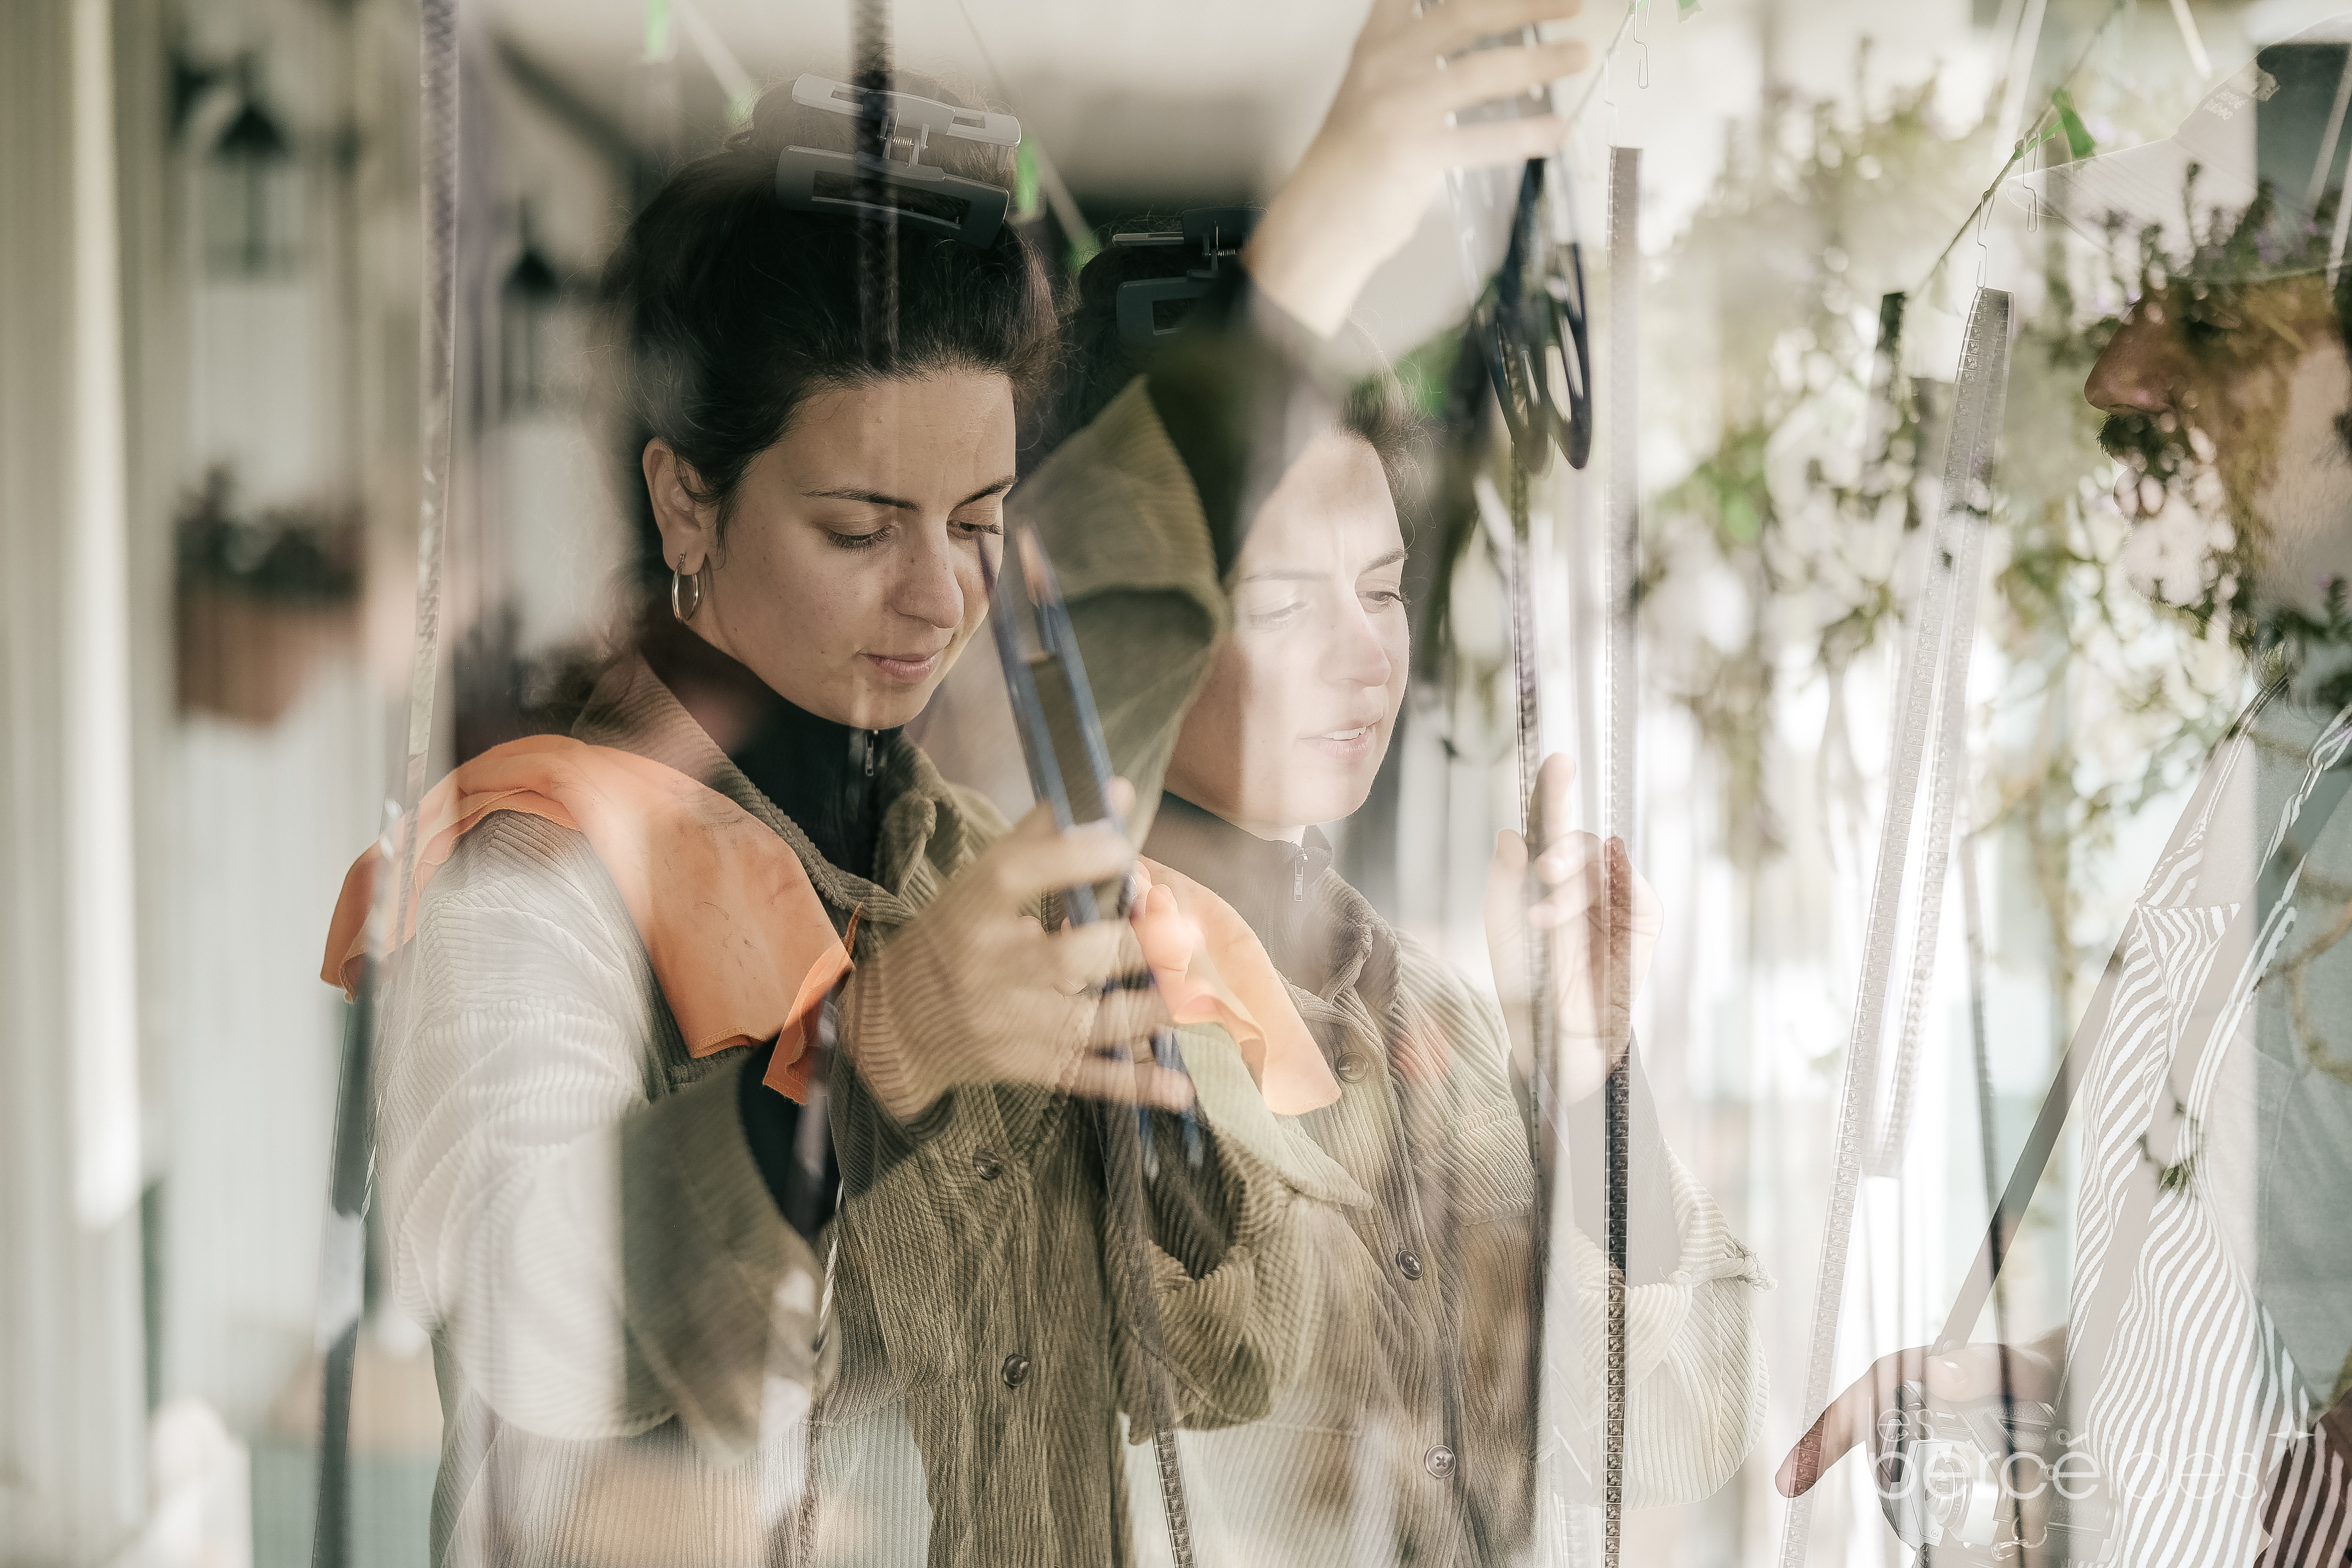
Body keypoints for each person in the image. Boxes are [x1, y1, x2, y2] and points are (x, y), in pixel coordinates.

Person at [333, 6, 1614, 1565]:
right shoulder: (536, 870)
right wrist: (882, 1047)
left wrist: (1183, 1159)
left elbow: (1231, 1356)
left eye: (979, 520)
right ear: (686, 495)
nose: (938, 599)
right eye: (864, 530)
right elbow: (526, 1306)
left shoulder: (947, 849)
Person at [1011, 92, 1770, 1568]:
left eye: (1383, 586)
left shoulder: (1429, 1012)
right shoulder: (1057, 1018)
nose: (1366, 656)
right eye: (1288, 602)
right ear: (1134, 628)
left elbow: (1677, 1424)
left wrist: (1595, 1072)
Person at [1776, 24, 2352, 1568]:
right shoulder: (2293, 730)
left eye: (2212, 320)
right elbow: (2279, 1303)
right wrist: (2045, 1388)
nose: (2123, 373)